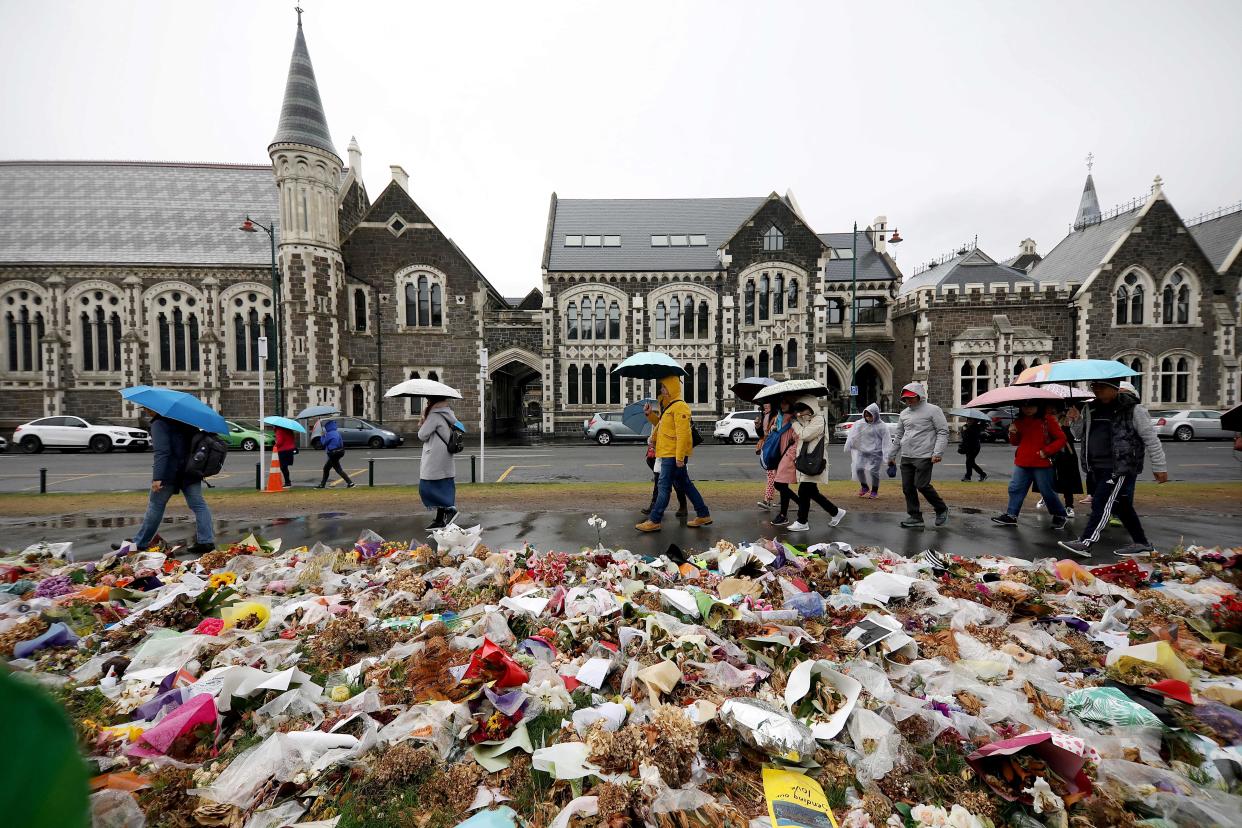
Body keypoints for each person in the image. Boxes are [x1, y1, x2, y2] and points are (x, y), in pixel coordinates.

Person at [1058, 380, 1168, 558]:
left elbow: (1151, 439)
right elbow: (1079, 435)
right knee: (1123, 506)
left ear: (1115, 388)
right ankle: (1142, 543)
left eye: (1102, 386)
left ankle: (1086, 542)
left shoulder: (1134, 410)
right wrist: (1075, 419)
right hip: (1096, 466)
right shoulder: (1090, 408)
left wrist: (1159, 465)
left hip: (1120, 466)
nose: (1097, 390)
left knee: (1101, 501)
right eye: (1094, 387)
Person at [131, 409, 214, 554]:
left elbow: (162, 452)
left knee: (156, 506)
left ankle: (140, 543)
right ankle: (206, 541)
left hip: (169, 473)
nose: (145, 410)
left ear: (154, 409)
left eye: (146, 408)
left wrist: (157, 477)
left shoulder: (159, 424)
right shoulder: (186, 421)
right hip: (190, 471)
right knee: (199, 505)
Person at [635, 374, 711, 532]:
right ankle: (703, 514)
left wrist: (680, 458)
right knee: (686, 485)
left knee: (663, 486)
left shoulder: (680, 407)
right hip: (667, 453)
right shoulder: (669, 406)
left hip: (672, 455)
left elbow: (683, 434)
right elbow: (661, 426)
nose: (661, 389)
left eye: (664, 386)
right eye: (662, 386)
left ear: (672, 388)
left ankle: (655, 520)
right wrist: (650, 415)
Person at [990, 401, 1069, 529]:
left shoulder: (1047, 419)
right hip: (1022, 461)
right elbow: (1015, 442)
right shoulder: (1019, 421)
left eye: (1032, 406)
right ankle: (1011, 515)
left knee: (1047, 491)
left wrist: (1046, 451)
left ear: (1039, 406)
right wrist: (1013, 432)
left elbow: (1061, 438)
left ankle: (1060, 515)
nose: (1028, 409)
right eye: (1025, 406)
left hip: (1041, 462)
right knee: (1015, 488)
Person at [888, 382, 950, 529]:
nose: (908, 401)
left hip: (925, 454)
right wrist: (891, 455)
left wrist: (938, 452)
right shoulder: (904, 414)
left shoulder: (933, 410)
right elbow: (899, 435)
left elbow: (943, 431)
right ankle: (915, 516)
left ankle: (941, 509)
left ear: (920, 396)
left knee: (921, 485)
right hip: (907, 455)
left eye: (911, 398)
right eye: (905, 399)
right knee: (907, 487)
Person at [788, 395, 846, 532]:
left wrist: (795, 423)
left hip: (814, 461)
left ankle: (802, 521)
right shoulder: (807, 420)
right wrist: (798, 418)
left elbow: (804, 435)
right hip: (808, 461)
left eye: (803, 409)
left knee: (804, 491)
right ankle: (836, 512)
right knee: (812, 492)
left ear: (811, 408)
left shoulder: (818, 420)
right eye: (799, 410)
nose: (801, 413)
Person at [416, 397, 458, 529]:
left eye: (429, 402)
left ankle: (449, 509)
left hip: (434, 456)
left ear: (434, 402)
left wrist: (423, 421)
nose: (427, 404)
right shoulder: (447, 413)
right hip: (444, 456)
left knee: (427, 487)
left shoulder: (434, 415)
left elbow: (422, 435)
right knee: (443, 485)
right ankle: (440, 519)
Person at [844, 403, 891, 498]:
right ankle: (864, 487)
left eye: (870, 416)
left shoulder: (882, 426)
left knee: (874, 472)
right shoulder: (860, 423)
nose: (868, 418)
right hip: (863, 451)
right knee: (858, 469)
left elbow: (886, 442)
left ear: (875, 415)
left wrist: (887, 456)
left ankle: (874, 490)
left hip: (876, 453)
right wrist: (849, 445)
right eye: (866, 416)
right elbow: (853, 435)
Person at [769, 397, 798, 526]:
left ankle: (801, 504)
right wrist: (774, 429)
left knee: (779, 484)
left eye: (786, 402)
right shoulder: (779, 417)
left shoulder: (793, 419)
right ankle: (783, 515)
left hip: (787, 455)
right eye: (781, 402)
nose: (783, 404)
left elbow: (797, 439)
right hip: (780, 454)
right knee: (783, 485)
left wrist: (790, 455)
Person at [642, 438, 686, 517]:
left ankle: (683, 506)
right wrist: (652, 442)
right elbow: (653, 437)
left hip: (671, 456)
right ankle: (655, 508)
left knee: (677, 485)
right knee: (659, 485)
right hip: (660, 458)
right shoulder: (656, 426)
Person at [314, 419, 356, 490]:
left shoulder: (329, 434)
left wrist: (322, 436)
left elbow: (323, 443)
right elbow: (341, 443)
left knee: (333, 469)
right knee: (329, 468)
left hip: (333, 453)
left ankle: (350, 483)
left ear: (328, 427)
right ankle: (350, 483)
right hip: (340, 452)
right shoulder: (337, 433)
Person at [756, 402, 780, 509]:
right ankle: (784, 499)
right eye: (764, 404)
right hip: (769, 447)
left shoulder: (776, 417)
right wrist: (757, 426)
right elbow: (762, 435)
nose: (765, 405)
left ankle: (767, 500)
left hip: (774, 448)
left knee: (771, 475)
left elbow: (776, 433)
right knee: (778, 476)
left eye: (768, 403)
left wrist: (773, 429)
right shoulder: (765, 416)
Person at [959, 417, 988, 481]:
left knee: (969, 462)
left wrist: (966, 430)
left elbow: (974, 436)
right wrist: (964, 430)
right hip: (967, 447)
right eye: (968, 420)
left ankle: (973, 475)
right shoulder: (965, 427)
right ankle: (969, 476)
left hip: (974, 447)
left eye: (970, 420)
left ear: (974, 421)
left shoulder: (976, 428)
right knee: (969, 462)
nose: (969, 421)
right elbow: (964, 437)